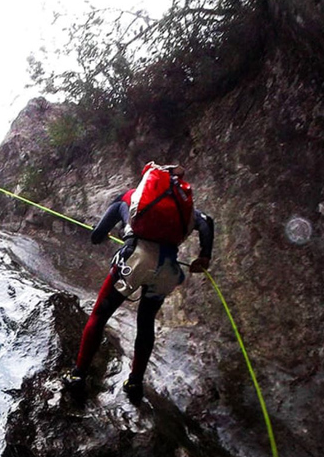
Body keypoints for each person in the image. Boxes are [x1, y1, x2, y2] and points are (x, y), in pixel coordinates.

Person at [63, 163, 214, 405]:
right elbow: (207, 223)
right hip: (166, 268)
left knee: (100, 315)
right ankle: (134, 383)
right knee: (145, 324)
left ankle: (78, 375)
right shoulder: (185, 211)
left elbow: (96, 237)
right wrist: (204, 256)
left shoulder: (129, 199)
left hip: (135, 261)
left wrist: (101, 233)